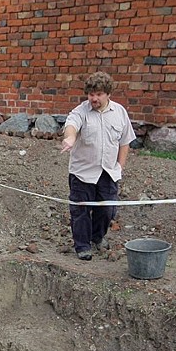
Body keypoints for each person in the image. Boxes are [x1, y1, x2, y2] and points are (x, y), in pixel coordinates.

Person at [60, 71, 135, 261]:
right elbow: (71, 125)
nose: (94, 98)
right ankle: (83, 246)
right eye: (91, 94)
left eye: (99, 94)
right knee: (80, 211)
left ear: (108, 94)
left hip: (108, 172)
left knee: (107, 210)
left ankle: (97, 237)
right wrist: (69, 138)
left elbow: (125, 141)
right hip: (82, 173)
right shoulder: (81, 112)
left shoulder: (119, 113)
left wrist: (120, 166)